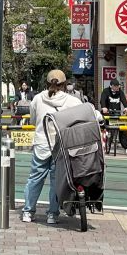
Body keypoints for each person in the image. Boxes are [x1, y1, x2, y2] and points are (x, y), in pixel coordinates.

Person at [22, 69, 81, 225]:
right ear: (64, 84)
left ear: (47, 83)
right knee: (56, 181)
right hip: (60, 146)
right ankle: (52, 215)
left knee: (35, 178)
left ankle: (28, 211)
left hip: (41, 144)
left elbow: (34, 121)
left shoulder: (37, 99)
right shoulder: (72, 101)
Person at [100, 79, 127, 156]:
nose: (117, 88)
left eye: (118, 86)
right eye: (115, 86)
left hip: (117, 114)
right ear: (111, 86)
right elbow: (102, 100)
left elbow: (124, 100)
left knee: (123, 129)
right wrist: (104, 107)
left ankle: (126, 148)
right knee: (104, 128)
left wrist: (126, 107)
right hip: (108, 114)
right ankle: (103, 146)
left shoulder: (120, 92)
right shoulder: (106, 91)